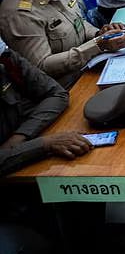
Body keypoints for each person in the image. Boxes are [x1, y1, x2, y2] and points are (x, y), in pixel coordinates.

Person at [0, 42, 92, 177]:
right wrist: (45, 144)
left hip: (29, 141)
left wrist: (19, 137)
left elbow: (57, 94)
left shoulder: (5, 56)